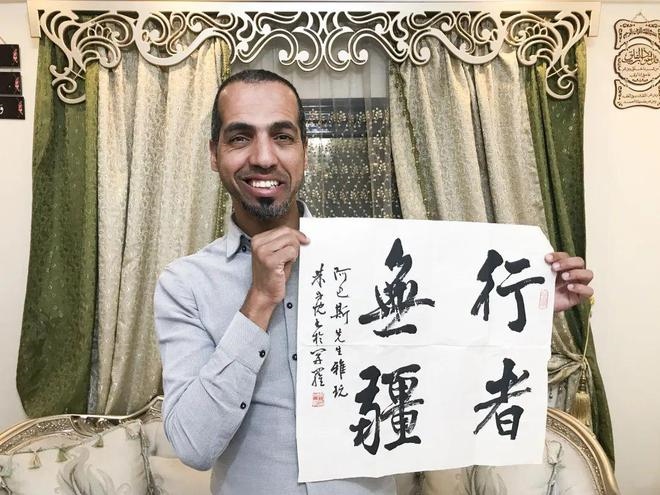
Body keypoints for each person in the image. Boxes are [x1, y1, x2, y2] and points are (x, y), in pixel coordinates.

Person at [154, 69, 594, 495]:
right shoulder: (184, 285)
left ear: (305, 151)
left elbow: (448, 348)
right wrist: (258, 302)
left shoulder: (372, 261)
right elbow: (194, 446)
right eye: (240, 137)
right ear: (214, 154)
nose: (264, 157)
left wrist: (531, 300)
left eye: (282, 136)